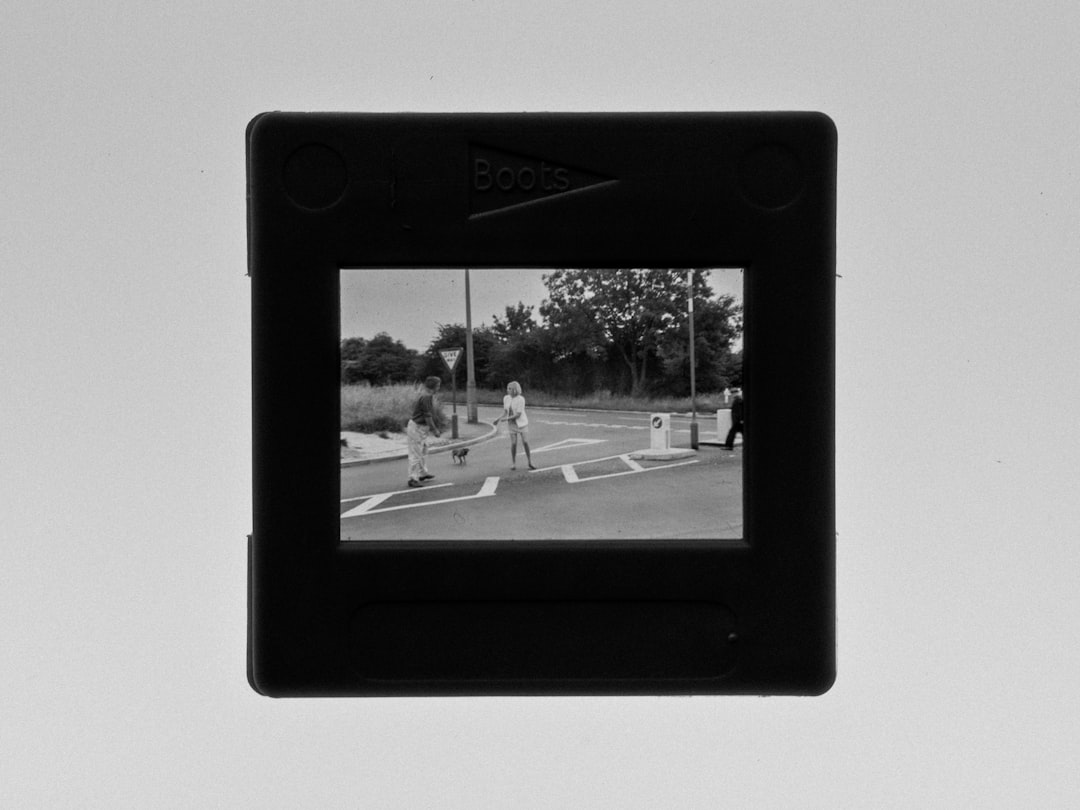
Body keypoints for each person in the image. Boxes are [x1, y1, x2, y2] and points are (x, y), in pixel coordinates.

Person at [406, 376, 442, 487]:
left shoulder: (427, 396)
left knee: (423, 450)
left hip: (421, 428)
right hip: (417, 427)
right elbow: (427, 416)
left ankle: (422, 473)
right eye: (438, 385)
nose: (439, 388)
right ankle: (412, 478)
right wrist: (435, 429)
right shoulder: (426, 397)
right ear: (434, 386)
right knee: (416, 453)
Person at [493, 381, 536, 471]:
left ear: (515, 390)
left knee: (525, 442)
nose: (507, 390)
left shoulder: (521, 399)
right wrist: (498, 419)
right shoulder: (506, 398)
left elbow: (518, 415)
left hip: (522, 423)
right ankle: (513, 463)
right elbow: (505, 412)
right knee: (513, 443)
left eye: (509, 388)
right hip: (512, 424)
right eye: (507, 388)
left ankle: (530, 462)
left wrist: (506, 419)